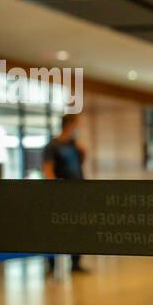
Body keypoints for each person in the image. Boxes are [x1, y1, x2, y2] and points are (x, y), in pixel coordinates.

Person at [42, 113, 89, 276]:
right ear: (68, 125)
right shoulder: (52, 146)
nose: (77, 128)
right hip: (62, 193)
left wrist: (84, 152)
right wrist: (55, 190)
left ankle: (76, 262)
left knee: (78, 227)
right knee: (55, 228)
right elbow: (48, 169)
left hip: (77, 192)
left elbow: (78, 165)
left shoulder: (74, 145)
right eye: (76, 124)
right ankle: (51, 264)